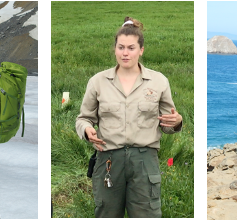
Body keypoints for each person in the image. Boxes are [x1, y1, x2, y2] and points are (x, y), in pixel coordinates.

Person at [75, 17, 183, 218]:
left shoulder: (159, 81)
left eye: (131, 48)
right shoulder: (97, 81)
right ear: (115, 49)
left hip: (145, 160)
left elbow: (168, 123)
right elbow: (83, 118)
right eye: (121, 47)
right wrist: (86, 130)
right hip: (108, 160)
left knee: (147, 215)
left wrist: (176, 122)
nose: (125, 53)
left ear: (141, 50)